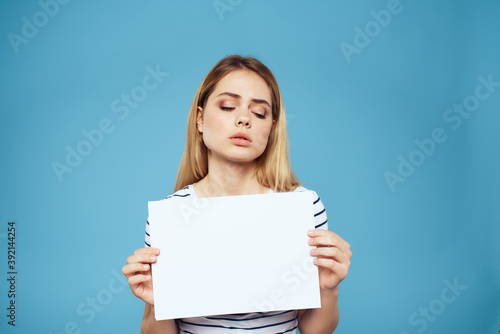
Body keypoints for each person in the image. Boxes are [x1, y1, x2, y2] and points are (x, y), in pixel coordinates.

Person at [122, 55, 352, 333]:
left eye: (259, 113)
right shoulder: (170, 217)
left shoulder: (303, 207)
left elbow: (316, 330)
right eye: (228, 106)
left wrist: (328, 289)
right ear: (200, 119)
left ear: (272, 128)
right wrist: (158, 304)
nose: (244, 119)